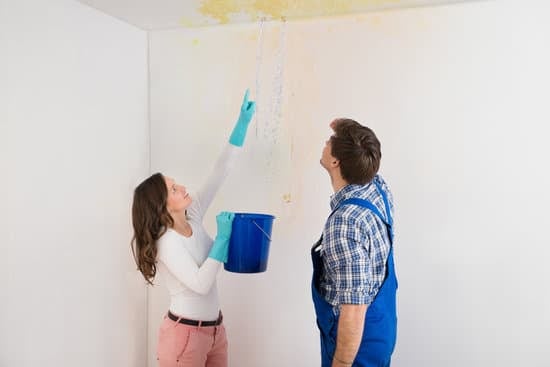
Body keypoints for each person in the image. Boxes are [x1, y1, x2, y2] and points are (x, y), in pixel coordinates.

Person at [131, 90, 256, 367]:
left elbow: (220, 171)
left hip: (215, 332)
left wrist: (242, 123)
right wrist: (222, 238)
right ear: (161, 206)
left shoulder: (193, 215)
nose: (183, 187)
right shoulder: (167, 243)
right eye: (174, 189)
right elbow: (200, 285)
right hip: (184, 336)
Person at [312, 118, 398, 367]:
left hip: (355, 347)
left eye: (329, 141)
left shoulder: (344, 223)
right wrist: (351, 130)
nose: (325, 143)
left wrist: (340, 363)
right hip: (381, 328)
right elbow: (366, 153)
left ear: (336, 161)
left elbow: (354, 310)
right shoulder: (377, 188)